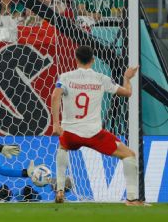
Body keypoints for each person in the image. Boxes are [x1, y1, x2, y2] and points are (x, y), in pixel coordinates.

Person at [51, 45, 145, 206]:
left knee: (63, 147)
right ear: (93, 60)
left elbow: (55, 96)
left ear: (76, 59)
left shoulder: (65, 77)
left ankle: (60, 189)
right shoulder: (101, 78)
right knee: (129, 155)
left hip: (71, 133)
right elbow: (127, 93)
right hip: (94, 133)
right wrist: (127, 78)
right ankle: (131, 199)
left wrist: (55, 124)